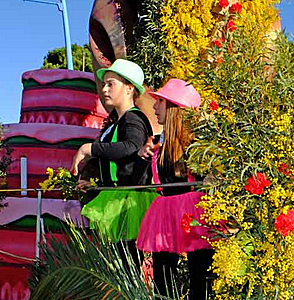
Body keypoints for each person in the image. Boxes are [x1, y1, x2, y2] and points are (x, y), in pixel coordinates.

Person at [70, 59, 157, 267]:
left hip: (129, 202)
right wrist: (98, 185)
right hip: (117, 195)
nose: (105, 89)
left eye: (111, 84)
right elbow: (117, 163)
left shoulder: (133, 119)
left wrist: (88, 148)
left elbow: (130, 147)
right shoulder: (118, 120)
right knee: (119, 265)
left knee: (127, 265)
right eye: (104, 84)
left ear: (129, 89)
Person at [135, 79, 214, 300]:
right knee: (162, 277)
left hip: (193, 212)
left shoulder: (196, 146)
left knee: (200, 274)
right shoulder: (158, 146)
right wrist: (143, 157)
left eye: (160, 101)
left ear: (174, 108)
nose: (154, 106)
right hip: (165, 211)